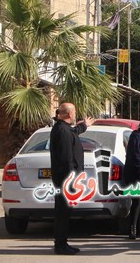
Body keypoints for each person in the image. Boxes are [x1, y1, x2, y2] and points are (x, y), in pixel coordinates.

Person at [49, 102, 94, 255]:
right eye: (74, 112)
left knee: (65, 212)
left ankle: (63, 243)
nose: (75, 114)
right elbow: (66, 158)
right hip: (65, 180)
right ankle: (60, 245)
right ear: (69, 114)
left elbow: (74, 131)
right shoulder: (61, 130)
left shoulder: (65, 128)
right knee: (62, 213)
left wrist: (84, 125)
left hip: (66, 180)